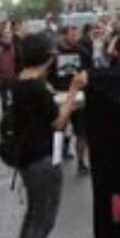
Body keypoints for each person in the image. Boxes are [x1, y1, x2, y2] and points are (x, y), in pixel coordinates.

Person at [13, 32, 88, 238]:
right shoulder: (34, 86)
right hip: (41, 159)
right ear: (46, 56)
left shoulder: (22, 81)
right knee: (40, 222)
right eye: (52, 51)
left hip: (30, 158)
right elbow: (58, 121)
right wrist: (74, 90)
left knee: (34, 221)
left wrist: (60, 95)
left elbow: (43, 107)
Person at [49, 26, 92, 175]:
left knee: (82, 132)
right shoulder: (53, 54)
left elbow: (89, 71)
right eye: (71, 35)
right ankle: (56, 161)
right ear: (62, 36)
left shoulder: (83, 52)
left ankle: (81, 162)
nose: (75, 37)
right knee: (58, 131)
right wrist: (50, 88)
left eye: (76, 34)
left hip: (78, 97)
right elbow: (45, 75)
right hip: (60, 97)